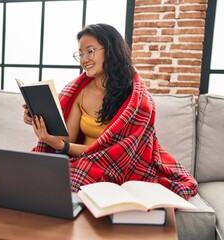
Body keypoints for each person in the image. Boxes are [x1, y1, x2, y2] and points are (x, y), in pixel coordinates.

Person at [23, 23, 198, 200]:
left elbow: (119, 153)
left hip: (121, 164)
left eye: (90, 51)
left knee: (76, 177)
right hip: (84, 160)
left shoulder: (136, 99)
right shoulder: (80, 91)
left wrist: (62, 146)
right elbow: (66, 140)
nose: (84, 59)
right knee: (29, 170)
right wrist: (41, 123)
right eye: (81, 54)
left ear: (111, 50)